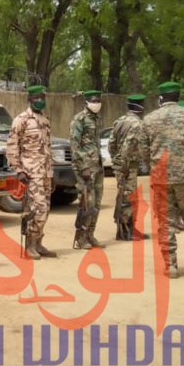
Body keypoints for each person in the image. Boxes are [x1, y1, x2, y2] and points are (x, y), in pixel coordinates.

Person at [141, 82, 184, 279]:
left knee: (165, 221)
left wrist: (154, 168)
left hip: (161, 179)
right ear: (178, 97)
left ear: (161, 98)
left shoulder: (149, 119)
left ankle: (170, 264)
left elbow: (143, 151)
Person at [6, 85, 57, 259]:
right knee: (38, 209)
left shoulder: (45, 120)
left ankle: (38, 243)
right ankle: (30, 244)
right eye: (36, 98)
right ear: (29, 99)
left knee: (46, 209)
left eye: (42, 97)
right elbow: (12, 146)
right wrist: (19, 171)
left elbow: (48, 149)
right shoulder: (22, 120)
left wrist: (52, 172)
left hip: (45, 173)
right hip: (31, 172)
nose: (40, 101)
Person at [108, 94, 150, 241]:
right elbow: (128, 146)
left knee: (124, 196)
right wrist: (124, 164)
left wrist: (116, 161)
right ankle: (126, 232)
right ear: (140, 107)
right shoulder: (137, 124)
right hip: (128, 166)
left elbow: (111, 144)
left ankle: (125, 230)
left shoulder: (120, 121)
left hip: (121, 165)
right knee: (129, 198)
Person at [70, 90, 107, 250]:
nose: (96, 103)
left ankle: (91, 235)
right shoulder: (80, 119)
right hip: (84, 168)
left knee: (97, 202)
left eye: (98, 100)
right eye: (93, 100)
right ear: (86, 102)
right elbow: (74, 144)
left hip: (97, 166)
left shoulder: (96, 119)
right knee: (87, 202)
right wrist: (83, 166)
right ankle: (81, 237)